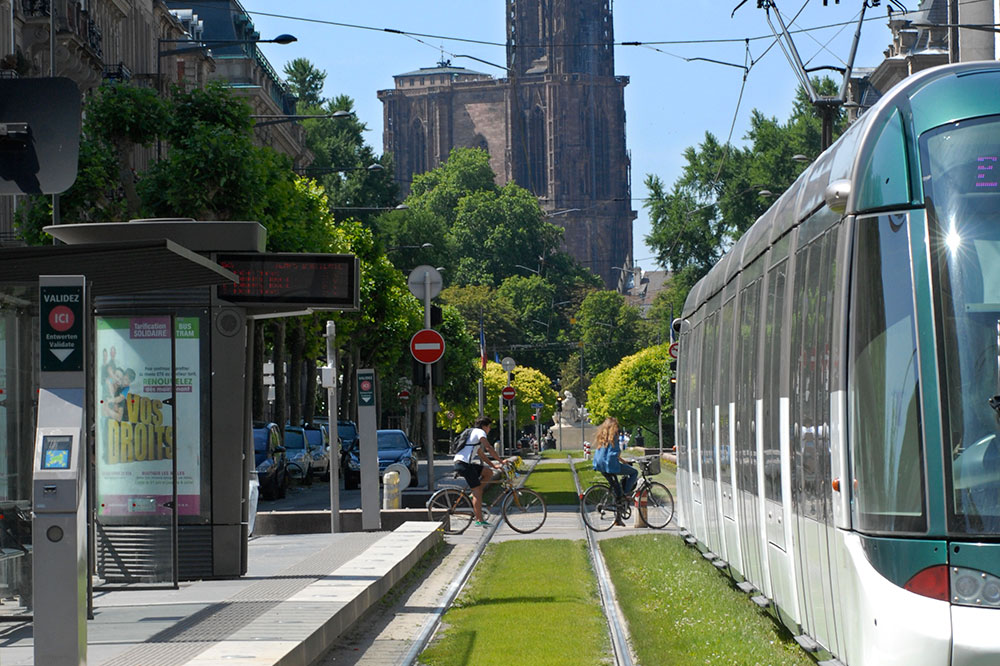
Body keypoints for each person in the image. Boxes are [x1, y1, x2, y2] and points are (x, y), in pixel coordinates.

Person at [453, 415, 503, 527]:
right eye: (489, 427)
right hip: (463, 464)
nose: (489, 429)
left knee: (488, 473)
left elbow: (482, 454)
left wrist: (494, 466)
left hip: (463, 463)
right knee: (478, 492)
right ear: (484, 426)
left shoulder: (473, 434)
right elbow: (489, 448)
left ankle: (473, 494)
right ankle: (479, 520)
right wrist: (501, 461)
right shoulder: (480, 433)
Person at [592, 417, 638, 498]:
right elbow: (616, 453)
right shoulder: (613, 437)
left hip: (600, 465)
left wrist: (623, 461)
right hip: (610, 465)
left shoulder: (602, 437)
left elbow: (609, 453)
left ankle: (618, 500)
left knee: (616, 488)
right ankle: (627, 494)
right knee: (634, 472)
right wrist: (624, 461)